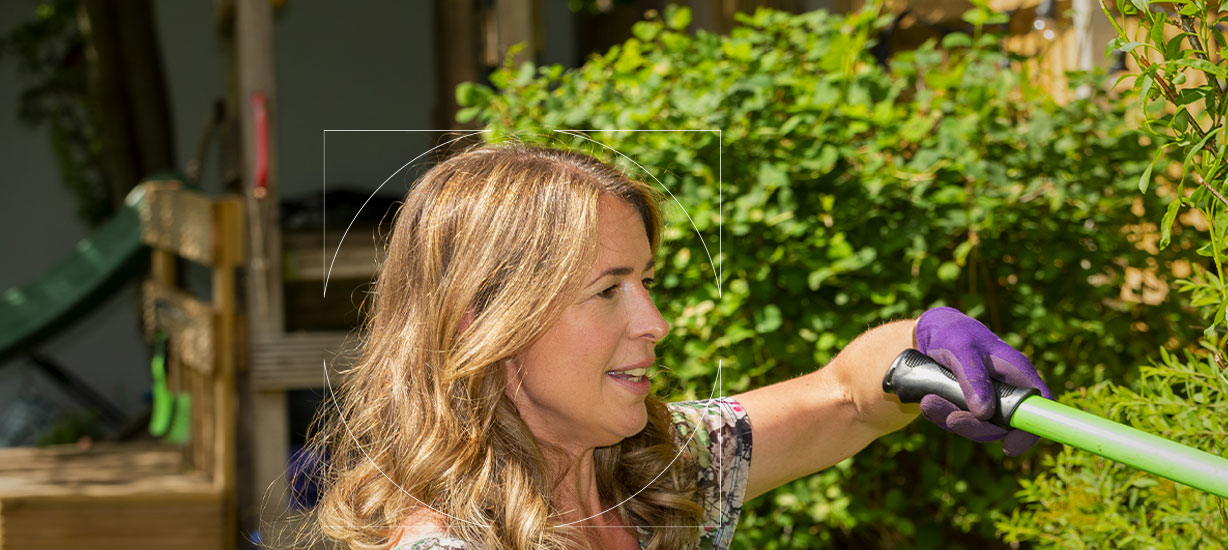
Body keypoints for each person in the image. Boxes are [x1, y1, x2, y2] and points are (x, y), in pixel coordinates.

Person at [308, 144, 1054, 550]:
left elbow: (843, 401)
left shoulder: (663, 471)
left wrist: (921, 349)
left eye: (647, 281)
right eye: (609, 290)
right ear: (485, 317)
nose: (655, 321)